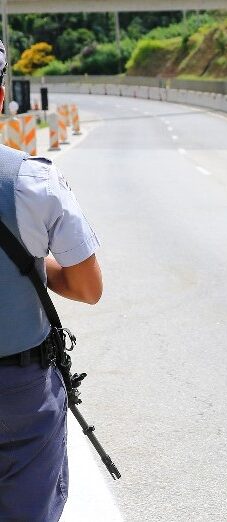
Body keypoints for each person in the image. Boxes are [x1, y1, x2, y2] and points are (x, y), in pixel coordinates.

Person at [0, 39, 102, 521]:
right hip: (19, 391)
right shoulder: (31, 181)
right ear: (2, 98)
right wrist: (33, 266)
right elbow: (88, 287)